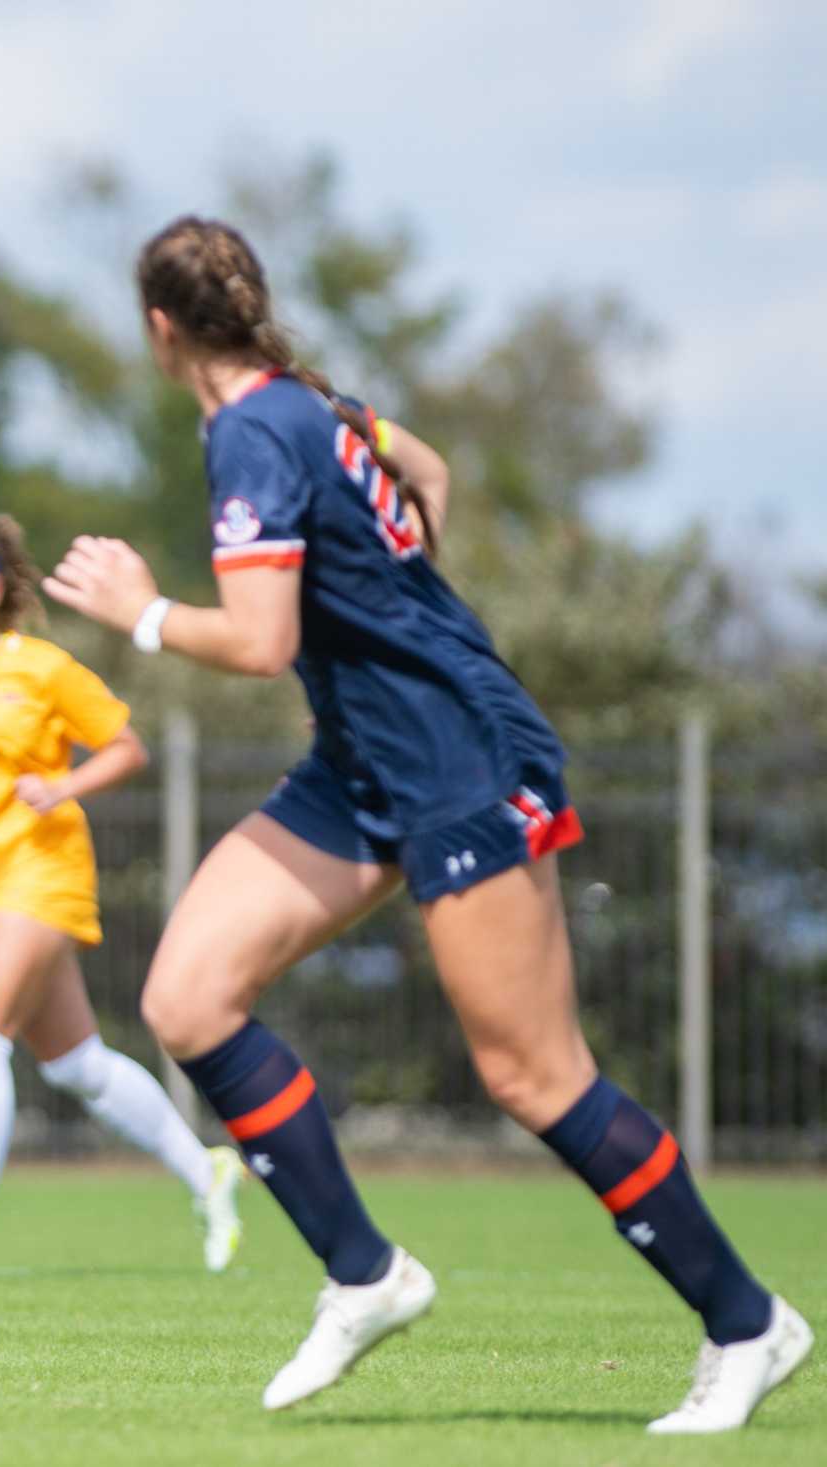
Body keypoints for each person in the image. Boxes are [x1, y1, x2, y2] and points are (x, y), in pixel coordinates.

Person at [41, 215, 812, 1431]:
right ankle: (365, 1274)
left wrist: (138, 613)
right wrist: (405, 612)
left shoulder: (253, 427)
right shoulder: (316, 403)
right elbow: (434, 472)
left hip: (461, 761)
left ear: (156, 328)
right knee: (186, 996)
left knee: (532, 1075)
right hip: (364, 769)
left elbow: (261, 641)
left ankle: (745, 1321)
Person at [0, 514, 244, 1276]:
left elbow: (126, 746)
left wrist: (65, 784)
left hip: (44, 871)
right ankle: (206, 1169)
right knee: (76, 1064)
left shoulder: (42, 667)